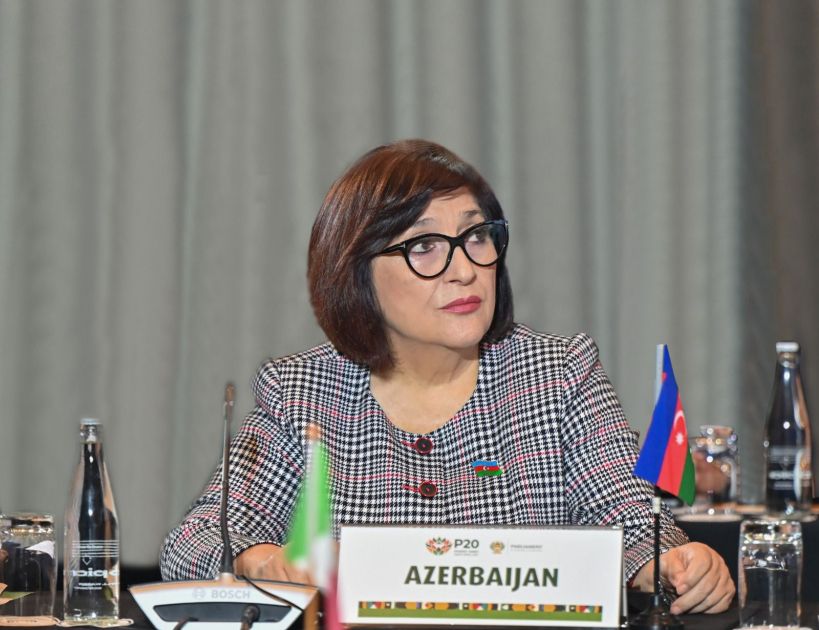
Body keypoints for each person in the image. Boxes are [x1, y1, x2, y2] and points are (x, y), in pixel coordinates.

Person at [160, 139, 734, 614]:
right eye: (426, 246)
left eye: (477, 236)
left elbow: (630, 522)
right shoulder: (303, 392)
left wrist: (672, 564)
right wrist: (261, 560)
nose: (464, 269)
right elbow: (194, 543)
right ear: (357, 272)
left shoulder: (556, 373)